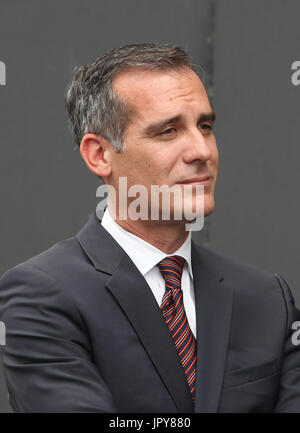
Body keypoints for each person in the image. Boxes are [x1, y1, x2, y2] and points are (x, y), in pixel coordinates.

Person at [0, 43, 300, 413]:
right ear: (99, 154)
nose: (201, 151)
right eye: (168, 131)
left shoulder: (268, 299)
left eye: (205, 127)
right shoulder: (40, 297)